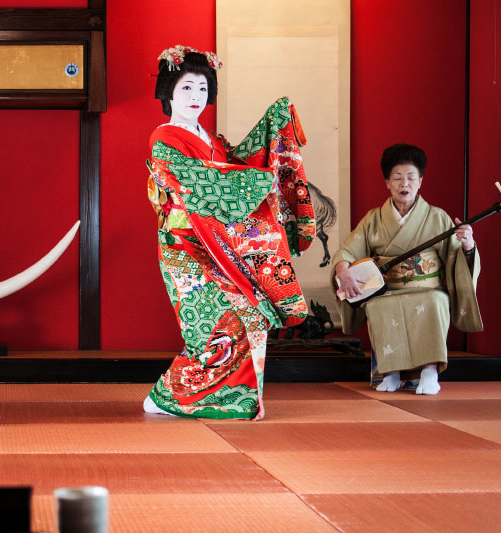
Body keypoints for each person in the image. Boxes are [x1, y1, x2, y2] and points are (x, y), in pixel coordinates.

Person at [143, 45, 315, 420]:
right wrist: (260, 180)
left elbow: (237, 162)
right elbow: (206, 183)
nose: (195, 97)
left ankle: (209, 396)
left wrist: (274, 123)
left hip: (215, 244)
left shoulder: (209, 138)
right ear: (169, 89)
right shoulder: (165, 139)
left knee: (251, 315)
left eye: (203, 89)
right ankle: (171, 395)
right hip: (184, 248)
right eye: (187, 87)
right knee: (216, 326)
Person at [332, 143, 481, 395]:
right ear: (387, 183)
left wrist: (468, 244)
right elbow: (347, 250)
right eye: (398, 178)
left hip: (427, 288)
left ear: (420, 182)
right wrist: (343, 270)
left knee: (435, 301)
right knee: (377, 305)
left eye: (411, 178)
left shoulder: (437, 217)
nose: (405, 184)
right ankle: (391, 372)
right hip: (388, 289)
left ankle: (429, 371)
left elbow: (456, 255)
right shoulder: (373, 219)